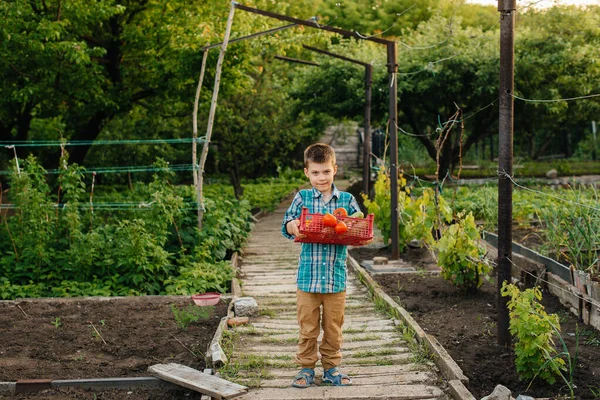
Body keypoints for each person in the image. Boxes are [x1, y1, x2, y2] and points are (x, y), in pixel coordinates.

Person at [281, 143, 359, 388]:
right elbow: (288, 222)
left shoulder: (347, 199)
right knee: (308, 327)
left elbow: (357, 224)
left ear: (334, 169)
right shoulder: (302, 198)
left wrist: (350, 226)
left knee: (333, 327)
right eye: (315, 173)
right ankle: (305, 368)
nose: (321, 177)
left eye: (326, 171)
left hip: (335, 278)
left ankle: (331, 367)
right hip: (308, 279)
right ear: (307, 173)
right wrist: (293, 225)